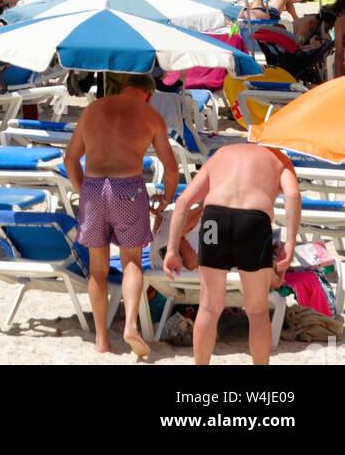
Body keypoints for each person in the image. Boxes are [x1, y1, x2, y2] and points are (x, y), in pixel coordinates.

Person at [64, 73, 178, 358]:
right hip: (128, 188)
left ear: (124, 87)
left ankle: (102, 339)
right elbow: (172, 168)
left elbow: (69, 159)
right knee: (131, 264)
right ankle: (129, 325)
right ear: (148, 94)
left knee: (98, 270)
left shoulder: (92, 109)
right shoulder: (150, 116)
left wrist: (84, 190)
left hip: (92, 187)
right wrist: (165, 199)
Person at [164, 143, 300, 366]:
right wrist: (291, 242)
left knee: (208, 306)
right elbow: (293, 195)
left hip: (214, 220)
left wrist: (171, 250)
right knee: (257, 310)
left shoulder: (221, 154)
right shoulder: (278, 158)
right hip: (253, 222)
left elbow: (182, 202)